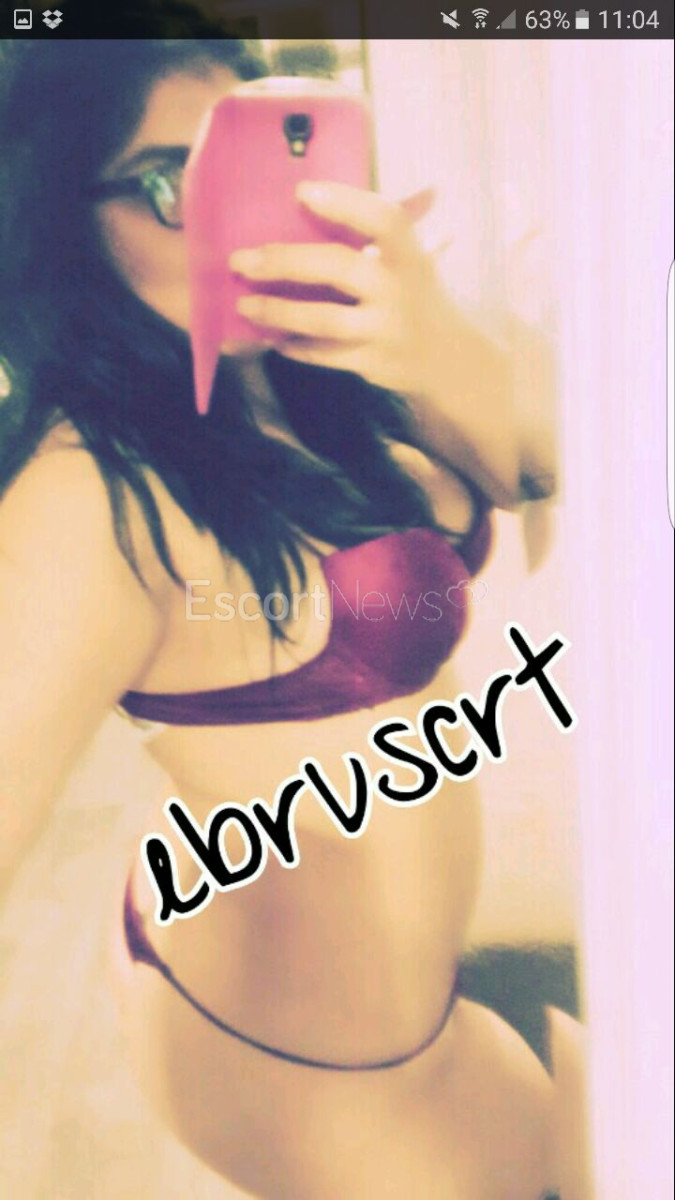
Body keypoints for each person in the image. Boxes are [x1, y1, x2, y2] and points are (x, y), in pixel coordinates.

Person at [0, 35, 558, 1200]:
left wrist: (432, 342)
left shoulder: (320, 357)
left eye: (260, 153)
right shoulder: (91, 493)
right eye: (170, 181)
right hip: (311, 1071)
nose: (234, 218)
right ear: (59, 219)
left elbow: (537, 467)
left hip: (331, 964)